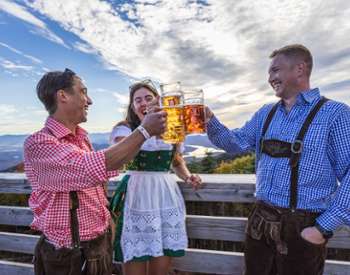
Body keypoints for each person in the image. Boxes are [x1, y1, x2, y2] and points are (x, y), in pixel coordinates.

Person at [205, 44, 350, 275]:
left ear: (300, 69)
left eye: (275, 70)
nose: (270, 78)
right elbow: (235, 143)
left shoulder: (335, 114)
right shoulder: (266, 113)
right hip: (259, 223)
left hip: (303, 227)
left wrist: (322, 228)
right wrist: (210, 120)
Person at [23, 69, 167, 275]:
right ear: (63, 96)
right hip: (67, 254)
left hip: (98, 245)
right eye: (83, 92)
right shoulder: (39, 143)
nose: (89, 100)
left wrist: (108, 226)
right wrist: (144, 131)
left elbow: (107, 171)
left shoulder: (81, 138)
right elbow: (92, 167)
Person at [109, 80, 202, 275]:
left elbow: (176, 161)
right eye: (138, 100)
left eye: (148, 98)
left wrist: (187, 177)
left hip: (165, 194)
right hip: (137, 193)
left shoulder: (173, 128)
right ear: (133, 107)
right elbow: (121, 154)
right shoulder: (124, 129)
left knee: (161, 261)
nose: (143, 103)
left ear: (158, 102)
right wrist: (145, 128)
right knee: (134, 254)